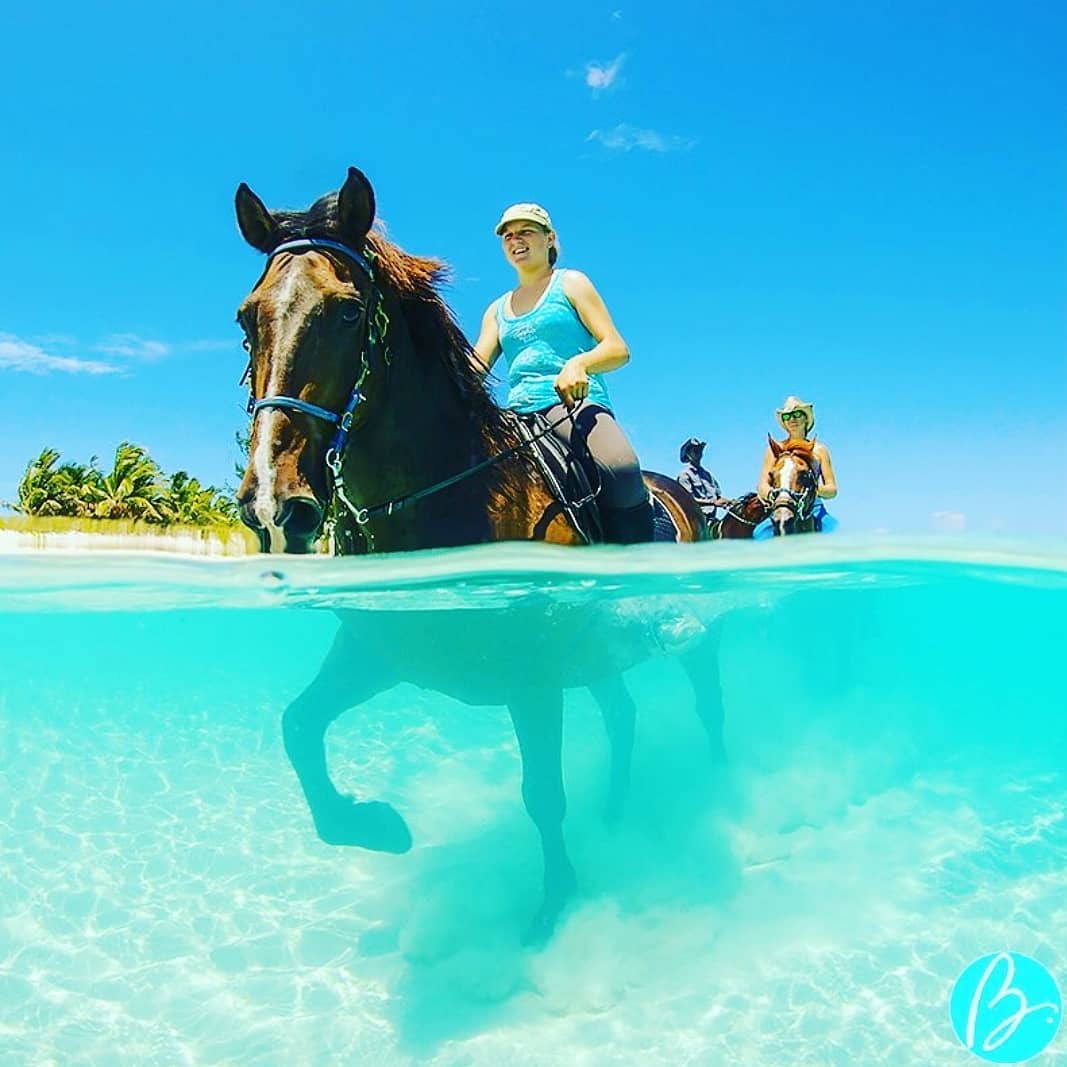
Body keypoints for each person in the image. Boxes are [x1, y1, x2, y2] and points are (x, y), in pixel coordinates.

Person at [471, 203, 654, 543]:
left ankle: (638, 568)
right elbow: (473, 369)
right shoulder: (496, 310)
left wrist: (579, 364)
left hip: (573, 405)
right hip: (515, 416)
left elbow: (617, 348)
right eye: (508, 236)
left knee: (621, 468)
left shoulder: (570, 283)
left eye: (526, 232)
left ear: (549, 238)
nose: (516, 241)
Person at [757, 396, 838, 531]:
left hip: (814, 509)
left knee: (835, 531)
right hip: (780, 507)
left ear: (806, 418)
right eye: (787, 416)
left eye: (797, 414)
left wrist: (811, 490)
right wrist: (777, 495)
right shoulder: (774, 450)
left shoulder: (820, 450)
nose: (792, 419)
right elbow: (762, 485)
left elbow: (832, 489)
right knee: (758, 533)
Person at [676, 437, 726, 524]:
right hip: (694, 521)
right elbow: (688, 499)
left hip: (711, 519)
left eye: (699, 450)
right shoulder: (685, 475)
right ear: (688, 454)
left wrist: (730, 502)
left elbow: (718, 496)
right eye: (695, 451)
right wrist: (713, 502)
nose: (698, 453)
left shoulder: (708, 475)